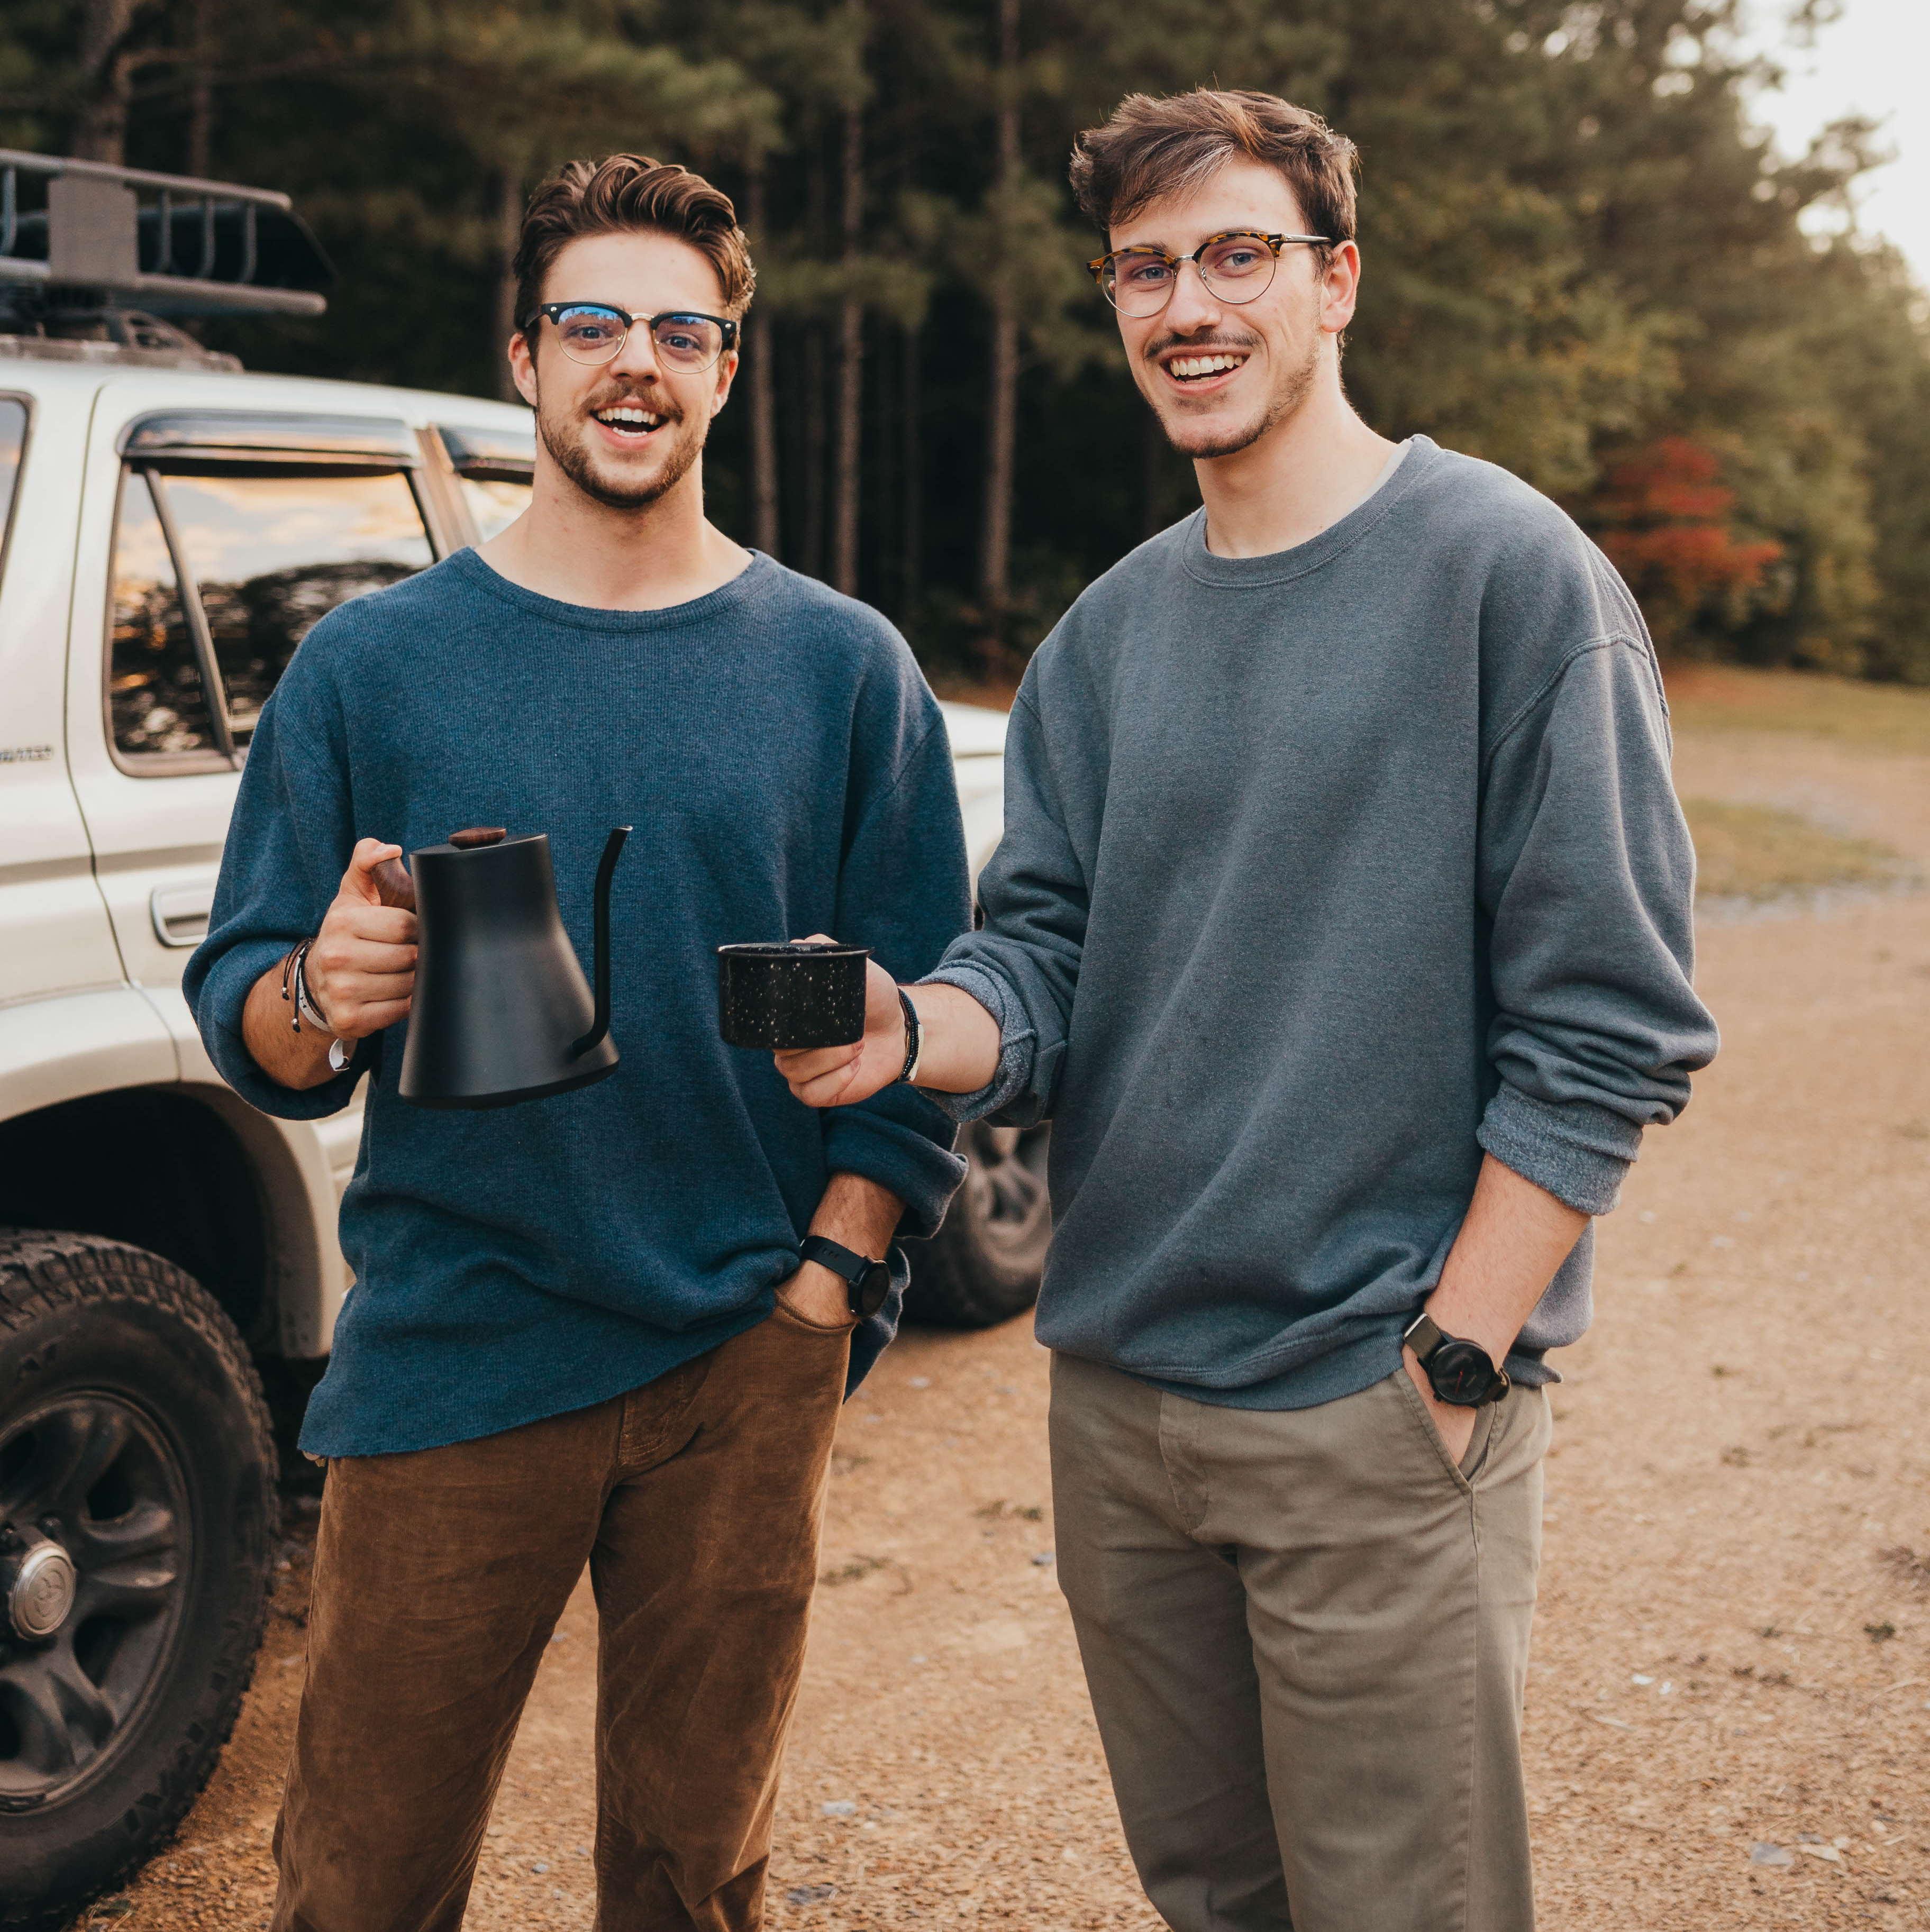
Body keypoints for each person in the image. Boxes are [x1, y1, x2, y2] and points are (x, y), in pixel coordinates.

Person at [773, 89, 1719, 1932]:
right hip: (1123, 1411)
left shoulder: (1511, 580)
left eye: (1237, 257)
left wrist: (1456, 1356)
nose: (1187, 306)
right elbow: (1039, 955)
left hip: (1376, 1399)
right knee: (1218, 1898)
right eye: (1144, 269)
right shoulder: (1106, 639)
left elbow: (1609, 1023)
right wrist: (914, 1033)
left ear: (1336, 281)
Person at [186, 154, 969, 1932]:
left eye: (682, 331)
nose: (638, 362)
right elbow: (256, 1018)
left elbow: (904, 1011)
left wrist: (829, 1287)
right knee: (360, 1886)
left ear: (727, 372)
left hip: (742, 1362)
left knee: (692, 1887)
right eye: (594, 323)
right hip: (458, 1351)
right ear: (524, 358)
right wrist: (326, 988)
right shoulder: (378, 667)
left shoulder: (839, 670)